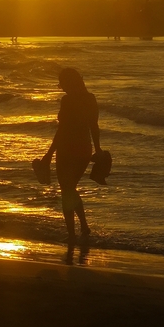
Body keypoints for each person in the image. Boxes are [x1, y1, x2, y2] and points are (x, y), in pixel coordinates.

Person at [34, 68, 104, 244]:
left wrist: (49, 154)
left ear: (71, 82)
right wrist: (97, 150)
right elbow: (94, 127)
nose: (62, 87)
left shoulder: (67, 101)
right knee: (69, 189)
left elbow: (62, 130)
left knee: (67, 190)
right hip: (84, 149)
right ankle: (84, 227)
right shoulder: (90, 99)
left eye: (63, 83)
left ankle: (72, 234)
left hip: (67, 149)